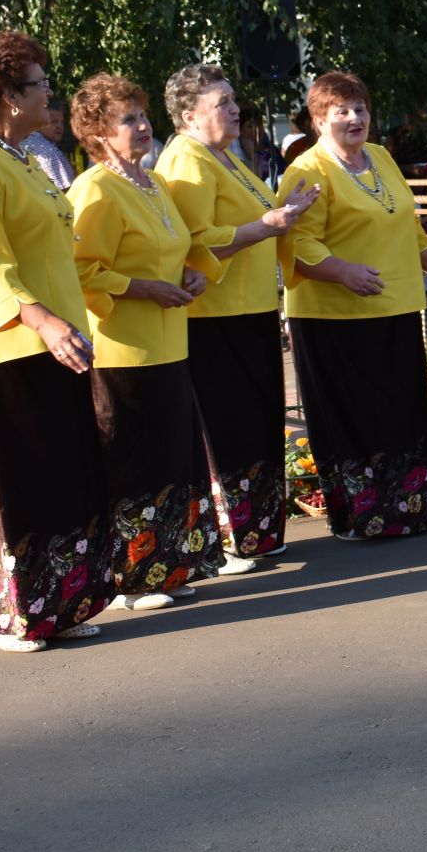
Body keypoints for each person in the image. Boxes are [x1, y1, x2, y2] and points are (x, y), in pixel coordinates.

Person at [0, 33, 113, 652]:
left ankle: (56, 604)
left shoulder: (23, 159)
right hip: (8, 346)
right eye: (40, 84)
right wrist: (39, 319)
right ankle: (10, 615)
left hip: (55, 342)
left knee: (59, 476)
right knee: (18, 481)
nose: (50, 93)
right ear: (10, 97)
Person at [278, 71, 427, 539]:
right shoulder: (307, 171)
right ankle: (364, 516)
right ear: (319, 120)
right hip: (335, 318)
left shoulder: (378, 157)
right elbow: (297, 243)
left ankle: (411, 506)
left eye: (360, 109)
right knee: (355, 418)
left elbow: (407, 223)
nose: (355, 118)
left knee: (400, 410)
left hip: (395, 306)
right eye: (342, 111)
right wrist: (343, 271)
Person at [68, 73, 222, 611]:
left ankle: (169, 565)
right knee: (134, 463)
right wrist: (141, 288)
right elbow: (82, 271)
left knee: (172, 460)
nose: (141, 126)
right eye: (126, 119)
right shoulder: (94, 190)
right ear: (97, 133)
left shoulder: (151, 183)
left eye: (141, 115)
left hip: (171, 344)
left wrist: (193, 273)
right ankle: (132, 578)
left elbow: (183, 246)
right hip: (122, 350)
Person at [156, 64, 320, 566]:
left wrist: (282, 211)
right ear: (188, 115)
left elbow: (252, 217)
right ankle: (227, 538)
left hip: (248, 308)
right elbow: (194, 243)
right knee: (225, 425)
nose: (234, 109)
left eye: (233, 99)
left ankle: (255, 531)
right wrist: (267, 225)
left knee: (254, 420)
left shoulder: (225, 154)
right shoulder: (187, 160)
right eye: (221, 102)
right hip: (214, 315)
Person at [22, 98, 76, 191]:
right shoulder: (46, 150)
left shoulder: (27, 142)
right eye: (53, 122)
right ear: (39, 121)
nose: (59, 126)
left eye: (61, 122)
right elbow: (65, 191)